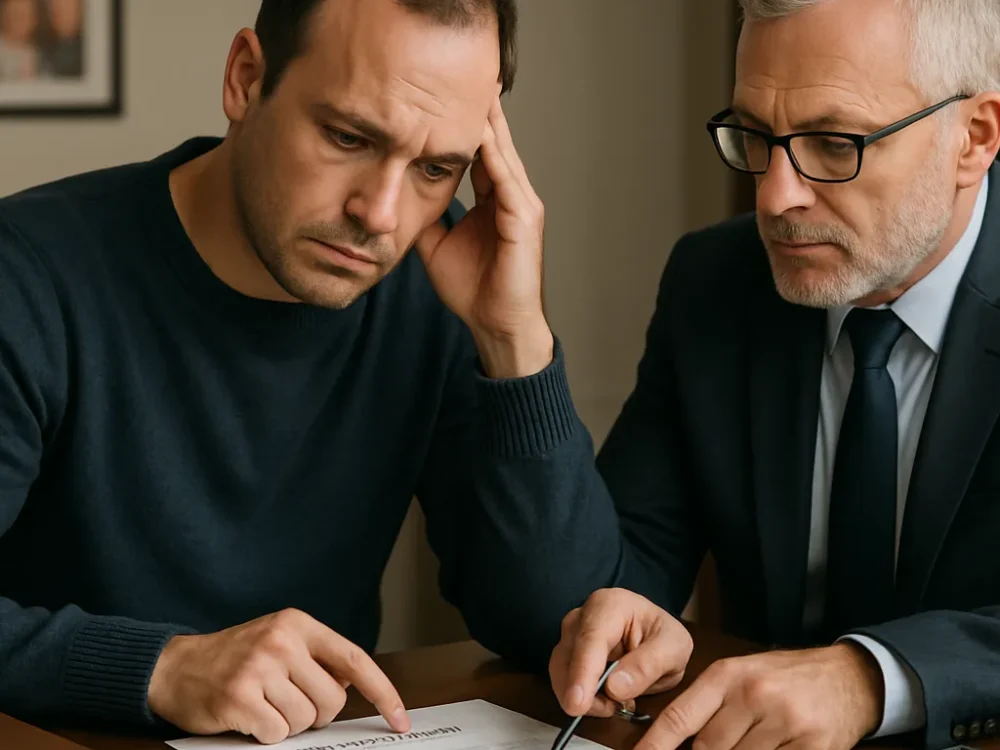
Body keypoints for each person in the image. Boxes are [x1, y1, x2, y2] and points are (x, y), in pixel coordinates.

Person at [0, 0, 616, 744]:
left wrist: (513, 339)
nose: (380, 214)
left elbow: (556, 629)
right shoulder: (26, 274)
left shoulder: (441, 280)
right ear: (245, 78)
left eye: (435, 169)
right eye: (349, 137)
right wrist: (160, 668)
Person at [547, 1, 1000, 750]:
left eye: (834, 143)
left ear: (974, 138)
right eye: (756, 137)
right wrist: (516, 340)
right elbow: (621, 567)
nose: (774, 196)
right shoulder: (717, 282)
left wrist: (870, 678)